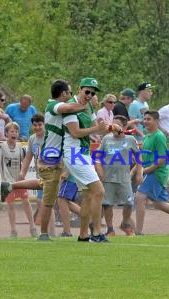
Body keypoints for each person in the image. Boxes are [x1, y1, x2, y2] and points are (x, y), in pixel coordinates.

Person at [35, 79, 92, 240]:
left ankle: (12, 186)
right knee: (49, 199)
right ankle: (43, 234)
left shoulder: (55, 106)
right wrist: (85, 104)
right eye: (70, 92)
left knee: (49, 190)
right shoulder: (54, 105)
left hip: (56, 157)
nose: (72, 95)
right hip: (50, 158)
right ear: (63, 93)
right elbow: (68, 107)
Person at [61, 77, 113, 242]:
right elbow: (75, 132)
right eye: (87, 91)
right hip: (74, 152)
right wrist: (97, 128)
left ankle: (83, 235)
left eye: (93, 92)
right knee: (99, 191)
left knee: (88, 195)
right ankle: (97, 233)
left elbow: (95, 125)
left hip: (82, 152)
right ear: (79, 89)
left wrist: (112, 127)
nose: (90, 95)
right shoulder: (71, 106)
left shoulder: (88, 105)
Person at [0, 122, 36, 238]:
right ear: (6, 133)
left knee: (26, 202)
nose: (15, 133)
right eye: (12, 131)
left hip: (19, 181)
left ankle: (32, 227)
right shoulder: (0, 146)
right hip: (6, 182)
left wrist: (23, 173)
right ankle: (13, 231)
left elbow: (27, 160)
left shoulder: (21, 148)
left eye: (16, 131)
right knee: (10, 205)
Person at [95, 115, 140, 236]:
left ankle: (125, 223)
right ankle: (110, 229)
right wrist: (99, 169)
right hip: (108, 178)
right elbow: (98, 157)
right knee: (107, 204)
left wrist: (139, 172)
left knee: (129, 203)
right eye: (112, 124)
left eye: (117, 124)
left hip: (124, 178)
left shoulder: (130, 139)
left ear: (124, 127)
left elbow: (138, 156)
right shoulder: (106, 139)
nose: (113, 127)